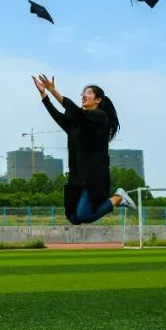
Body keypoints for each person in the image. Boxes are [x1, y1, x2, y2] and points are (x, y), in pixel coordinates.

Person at [33, 74, 135, 224]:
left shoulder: (100, 117)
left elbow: (75, 111)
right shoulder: (77, 123)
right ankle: (116, 200)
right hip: (77, 175)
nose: (84, 95)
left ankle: (117, 199)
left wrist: (53, 91)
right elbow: (59, 117)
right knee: (74, 218)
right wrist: (44, 96)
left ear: (98, 100)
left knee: (83, 216)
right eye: (83, 93)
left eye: (89, 93)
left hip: (94, 175)